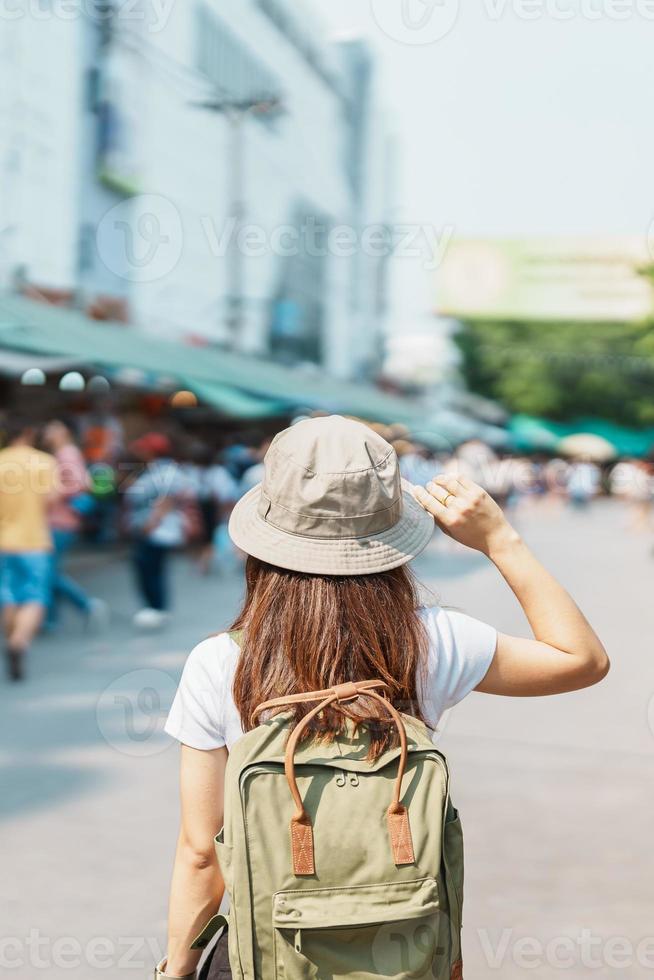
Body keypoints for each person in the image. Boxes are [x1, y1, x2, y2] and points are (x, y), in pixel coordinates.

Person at [159, 415, 609, 979]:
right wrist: (500, 540)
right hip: (403, 952)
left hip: (272, 953)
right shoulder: (433, 640)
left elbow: (201, 850)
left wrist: (176, 966)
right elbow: (582, 660)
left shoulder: (219, 662)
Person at [0, 417, 57, 680]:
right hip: (34, 540)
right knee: (34, 598)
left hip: (3, 541)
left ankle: (10, 635)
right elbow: (52, 500)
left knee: (8, 596)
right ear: (29, 432)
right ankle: (19, 642)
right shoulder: (43, 462)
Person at [42, 420, 108, 630]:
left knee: (48, 572)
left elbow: (78, 483)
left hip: (61, 521)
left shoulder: (66, 453)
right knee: (49, 570)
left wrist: (50, 493)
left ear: (64, 432)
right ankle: (51, 620)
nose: (47, 431)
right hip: (61, 520)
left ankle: (86, 605)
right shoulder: (65, 453)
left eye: (52, 428)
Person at [125, 433, 189, 630]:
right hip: (148, 529)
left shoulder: (166, 471)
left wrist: (151, 523)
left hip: (154, 530)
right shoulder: (152, 470)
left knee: (152, 569)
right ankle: (154, 608)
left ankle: (157, 609)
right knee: (148, 568)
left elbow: (167, 500)